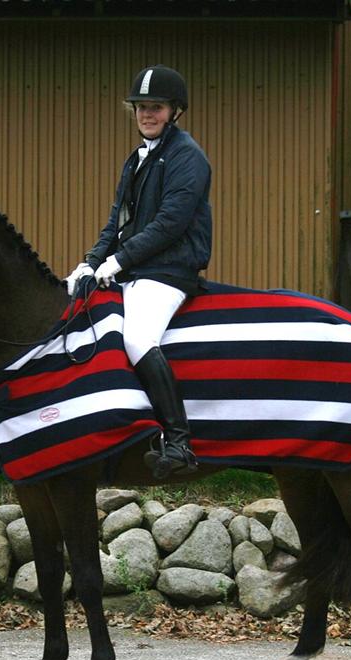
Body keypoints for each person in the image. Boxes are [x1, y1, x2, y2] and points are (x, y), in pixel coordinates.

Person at [66, 65, 212, 479]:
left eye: (157, 107)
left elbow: (170, 223)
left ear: (175, 112)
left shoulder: (189, 158)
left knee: (135, 338)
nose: (147, 114)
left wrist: (119, 261)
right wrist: (91, 261)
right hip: (136, 267)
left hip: (169, 269)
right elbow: (116, 222)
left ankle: (179, 441)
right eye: (141, 107)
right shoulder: (136, 159)